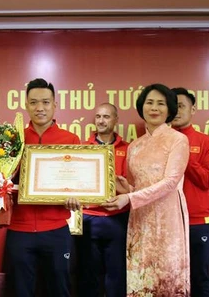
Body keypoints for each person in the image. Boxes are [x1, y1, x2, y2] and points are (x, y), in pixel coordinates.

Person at [101, 83, 190, 296]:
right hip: (140, 218)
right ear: (142, 107)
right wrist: (125, 189)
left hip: (168, 218)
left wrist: (129, 197)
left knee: (167, 277)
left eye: (161, 103)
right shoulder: (135, 146)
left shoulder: (178, 140)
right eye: (149, 102)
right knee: (140, 277)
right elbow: (136, 185)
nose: (154, 108)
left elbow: (170, 182)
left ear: (169, 109)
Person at [6, 78, 81, 297]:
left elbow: (78, 180)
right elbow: (1, 177)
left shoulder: (70, 138)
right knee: (21, 289)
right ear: (26, 105)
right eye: (34, 102)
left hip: (56, 227)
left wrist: (76, 196)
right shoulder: (12, 139)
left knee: (60, 287)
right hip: (19, 228)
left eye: (46, 102)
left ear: (55, 105)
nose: (40, 108)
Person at [77, 103, 129, 297]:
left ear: (116, 120)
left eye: (106, 117)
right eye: (98, 116)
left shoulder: (128, 149)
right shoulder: (83, 147)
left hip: (117, 218)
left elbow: (132, 185)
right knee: (88, 274)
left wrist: (122, 187)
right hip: (89, 218)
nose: (101, 120)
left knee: (116, 275)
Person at [171, 87, 209, 297]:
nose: (177, 111)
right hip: (167, 222)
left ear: (193, 109)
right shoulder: (159, 141)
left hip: (197, 222)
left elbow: (208, 180)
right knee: (168, 277)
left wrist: (184, 154)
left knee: (200, 277)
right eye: (174, 106)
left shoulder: (207, 142)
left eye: (181, 106)